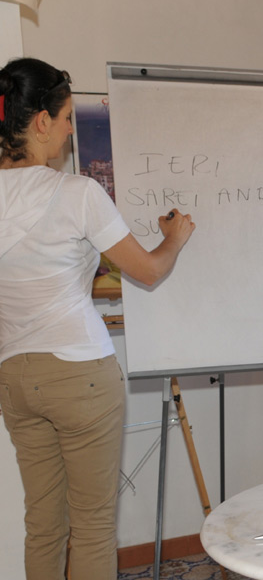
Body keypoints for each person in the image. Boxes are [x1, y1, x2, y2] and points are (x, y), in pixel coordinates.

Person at [0, 57, 195, 579]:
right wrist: (173, 238)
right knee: (90, 526)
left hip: (14, 377)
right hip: (79, 372)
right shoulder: (77, 193)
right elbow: (149, 272)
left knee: (43, 524)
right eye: (65, 119)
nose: (69, 132)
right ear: (40, 121)